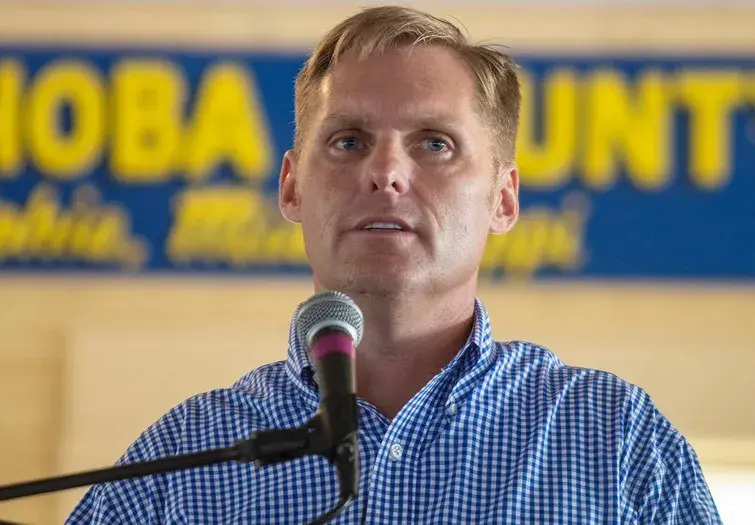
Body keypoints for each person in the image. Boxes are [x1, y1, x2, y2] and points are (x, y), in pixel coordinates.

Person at [67, 5, 722, 524]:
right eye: (348, 140)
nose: (384, 172)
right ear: (292, 188)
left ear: (502, 197)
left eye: (434, 143)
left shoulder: (613, 438)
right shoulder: (182, 461)